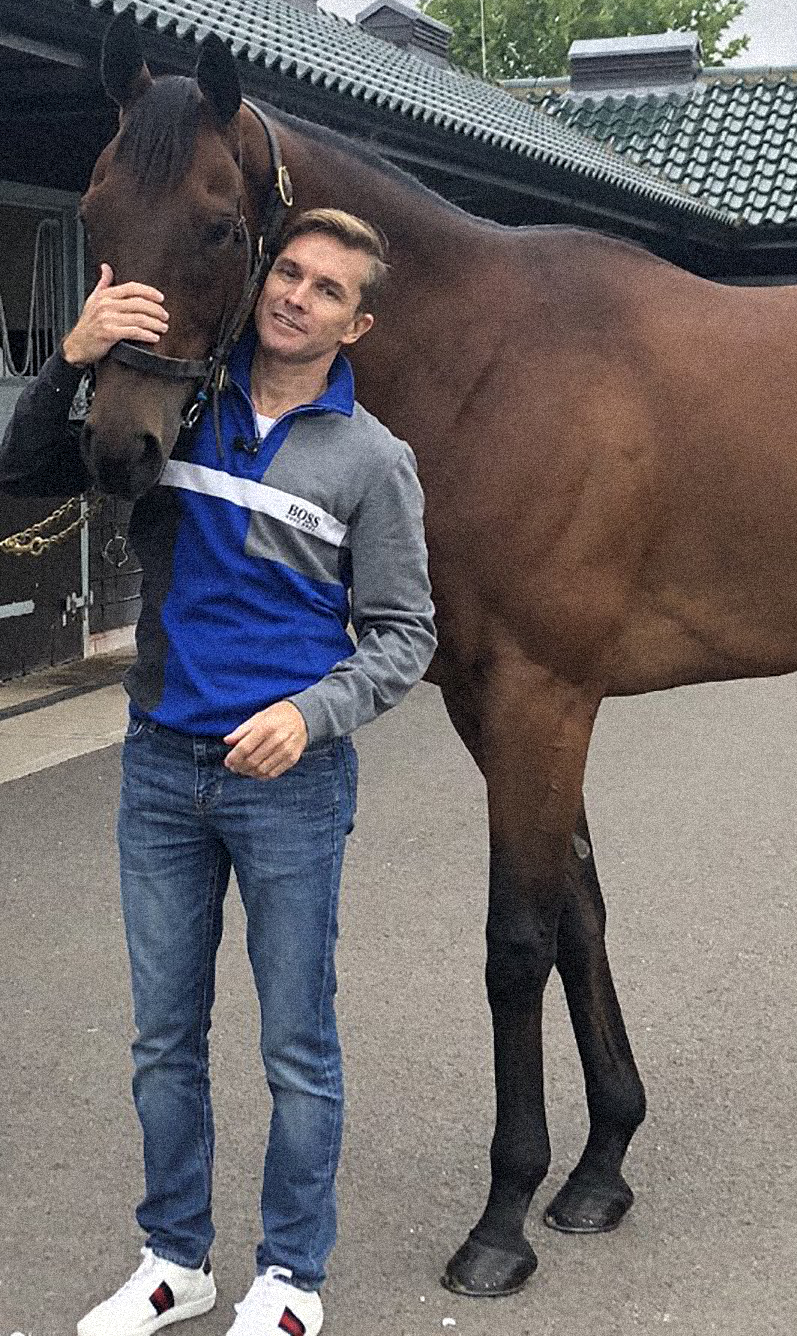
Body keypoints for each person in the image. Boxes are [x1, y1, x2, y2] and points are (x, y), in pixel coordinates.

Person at [0, 208, 437, 1336]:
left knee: (296, 1045)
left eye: (327, 289)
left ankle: (290, 1277)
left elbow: (401, 635)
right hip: (159, 770)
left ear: (359, 321)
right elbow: (29, 471)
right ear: (258, 282)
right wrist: (74, 353)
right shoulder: (178, 403)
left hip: (288, 785)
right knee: (163, 1040)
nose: (297, 296)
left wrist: (310, 714)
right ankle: (174, 1259)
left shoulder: (372, 462)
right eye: (286, 272)